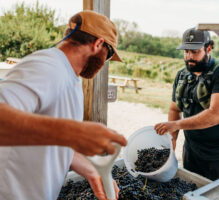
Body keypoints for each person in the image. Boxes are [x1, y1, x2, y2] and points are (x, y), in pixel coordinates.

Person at [0, 11, 127, 200]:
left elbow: (47, 139)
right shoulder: (47, 67)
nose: (104, 64)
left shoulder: (70, 78)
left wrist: (91, 170)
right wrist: (75, 132)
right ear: (98, 44)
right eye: (108, 56)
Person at [154, 27, 219, 181]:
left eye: (195, 51)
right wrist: (172, 140)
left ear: (209, 48)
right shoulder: (182, 75)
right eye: (186, 51)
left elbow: (216, 114)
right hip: (192, 149)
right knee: (192, 191)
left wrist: (176, 125)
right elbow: (175, 109)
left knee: (217, 196)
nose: (189, 57)